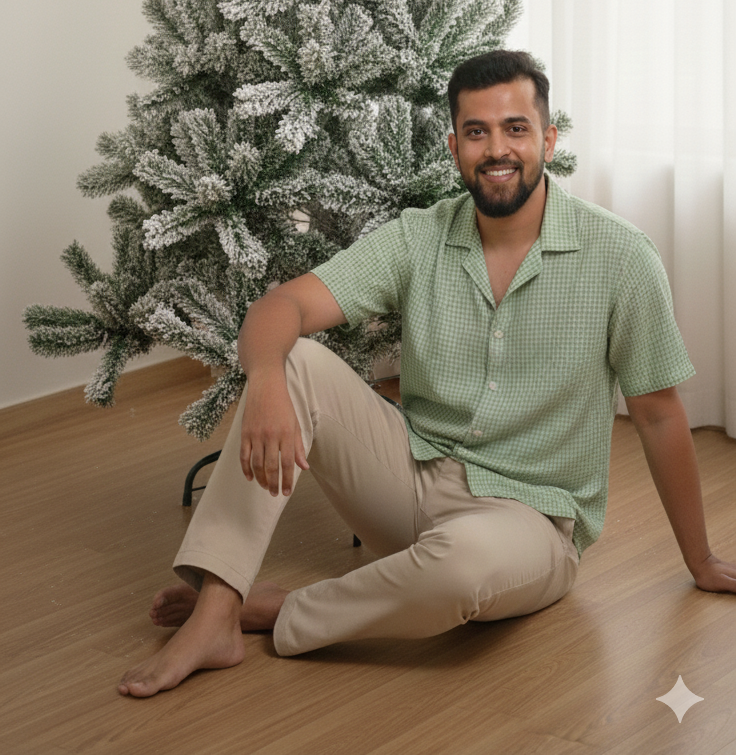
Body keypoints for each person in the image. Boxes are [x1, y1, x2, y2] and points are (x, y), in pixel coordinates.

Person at [118, 49, 736, 697]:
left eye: (516, 128)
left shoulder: (621, 256)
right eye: (477, 132)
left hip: (529, 525)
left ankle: (272, 610)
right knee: (291, 356)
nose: (497, 148)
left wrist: (701, 560)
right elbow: (283, 306)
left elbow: (660, 414)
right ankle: (217, 610)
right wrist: (267, 381)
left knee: (462, 569)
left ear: (548, 139)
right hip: (410, 476)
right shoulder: (420, 237)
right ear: (455, 146)